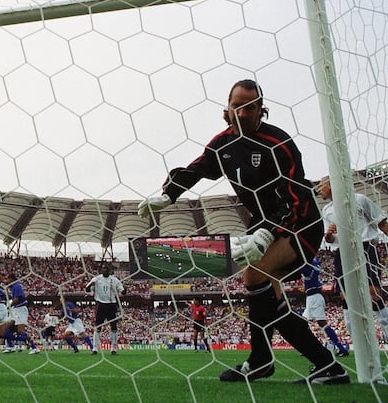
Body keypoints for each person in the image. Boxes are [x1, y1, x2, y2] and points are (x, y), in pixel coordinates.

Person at [138, 79, 349, 385]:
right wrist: (169, 194)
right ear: (228, 108)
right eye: (237, 105)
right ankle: (319, 365)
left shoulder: (278, 143)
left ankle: (264, 360)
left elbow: (297, 197)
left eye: (250, 107)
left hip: (300, 223)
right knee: (260, 286)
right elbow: (197, 168)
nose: (243, 112)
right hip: (263, 224)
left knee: (255, 275)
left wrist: (268, 232)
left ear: (261, 110)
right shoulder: (223, 143)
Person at [316, 175, 388, 337]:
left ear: (331, 185)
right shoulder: (327, 210)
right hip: (342, 252)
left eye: (321, 186)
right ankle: (358, 339)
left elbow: (381, 223)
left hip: (365, 248)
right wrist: (328, 234)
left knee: (373, 293)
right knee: (346, 295)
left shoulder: (360, 199)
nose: (319, 190)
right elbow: (330, 240)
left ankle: (386, 328)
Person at [300, 257, 348, 357]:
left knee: (322, 324)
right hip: (311, 298)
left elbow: (300, 270)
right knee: (302, 323)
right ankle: (311, 347)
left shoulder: (308, 266)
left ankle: (341, 348)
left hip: (314, 298)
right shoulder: (314, 261)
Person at [85, 263, 124, 354]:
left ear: (110, 270)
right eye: (104, 268)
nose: (105, 270)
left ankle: (113, 349)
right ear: (101, 270)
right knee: (98, 327)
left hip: (111, 305)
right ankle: (94, 348)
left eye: (107, 269)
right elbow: (87, 289)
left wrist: (124, 290)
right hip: (101, 305)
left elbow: (122, 291)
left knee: (114, 327)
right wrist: (91, 284)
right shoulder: (96, 279)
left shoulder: (115, 280)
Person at [1, 274, 40, 354]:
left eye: (7, 279)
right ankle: (10, 346)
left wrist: (8, 307)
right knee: (6, 329)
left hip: (20, 309)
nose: (6, 281)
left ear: (11, 279)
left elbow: (16, 299)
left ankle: (34, 347)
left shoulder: (17, 286)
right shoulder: (12, 286)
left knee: (20, 331)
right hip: (15, 310)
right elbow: (4, 281)